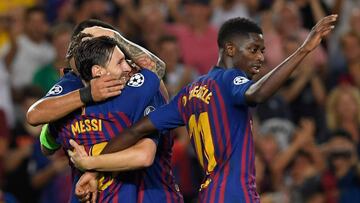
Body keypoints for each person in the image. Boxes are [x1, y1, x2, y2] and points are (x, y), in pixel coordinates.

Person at [69, 15, 338, 203]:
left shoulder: (191, 91)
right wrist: (304, 49)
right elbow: (257, 93)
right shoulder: (231, 79)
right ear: (230, 49)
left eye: (263, 51)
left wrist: (93, 169)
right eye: (254, 49)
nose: (261, 57)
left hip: (209, 194)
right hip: (236, 194)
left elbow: (136, 130)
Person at [27, 19, 181, 202]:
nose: (127, 66)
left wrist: (90, 167)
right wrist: (87, 94)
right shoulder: (69, 88)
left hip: (151, 191)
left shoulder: (136, 85)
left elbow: (143, 154)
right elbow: (37, 120)